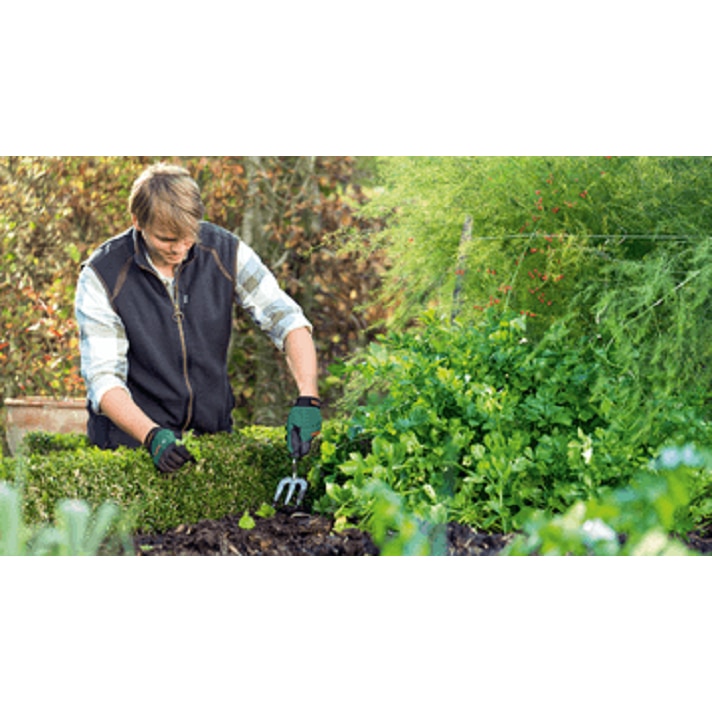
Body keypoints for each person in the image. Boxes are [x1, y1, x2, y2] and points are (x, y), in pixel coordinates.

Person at [75, 163, 322, 473]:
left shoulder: (224, 252)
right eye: (167, 239)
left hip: (211, 439)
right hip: (131, 446)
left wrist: (308, 396)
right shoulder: (103, 275)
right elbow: (103, 379)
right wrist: (151, 436)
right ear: (137, 221)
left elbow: (287, 320)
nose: (179, 249)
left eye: (188, 236)